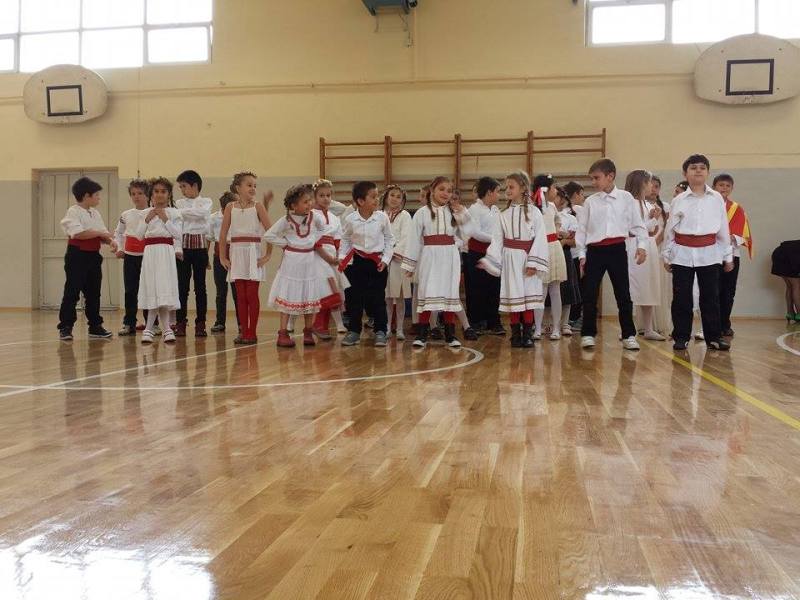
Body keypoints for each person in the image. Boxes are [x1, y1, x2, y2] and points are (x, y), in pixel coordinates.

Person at [662, 154, 734, 351]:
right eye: (693, 168)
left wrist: (727, 256)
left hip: (709, 253)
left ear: (708, 172)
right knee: (681, 297)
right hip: (682, 253)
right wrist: (666, 255)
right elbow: (670, 229)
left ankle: (714, 336)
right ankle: (681, 336)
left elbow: (723, 228)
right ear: (685, 173)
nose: (698, 171)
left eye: (702, 167)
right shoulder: (679, 200)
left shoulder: (716, 198)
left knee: (710, 296)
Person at [576, 159, 647, 350]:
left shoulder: (626, 198)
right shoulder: (590, 202)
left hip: (617, 249)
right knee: (590, 294)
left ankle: (628, 334)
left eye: (596, 178)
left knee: (623, 293)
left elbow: (638, 225)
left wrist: (642, 246)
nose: (593, 182)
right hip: (594, 251)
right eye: (592, 178)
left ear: (610, 176)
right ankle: (588, 333)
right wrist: (582, 254)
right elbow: (582, 231)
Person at [479, 170, 548, 347]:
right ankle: (515, 334)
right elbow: (497, 240)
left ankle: (528, 334)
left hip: (528, 260)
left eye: (511, 187)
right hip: (510, 260)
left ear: (523, 188)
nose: (507, 190)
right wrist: (490, 260)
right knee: (513, 296)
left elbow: (540, 239)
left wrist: (534, 263)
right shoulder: (502, 214)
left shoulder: (534, 212)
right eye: (506, 187)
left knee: (528, 298)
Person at [403, 176, 474, 348]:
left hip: (450, 258)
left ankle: (450, 335)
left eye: (449, 191)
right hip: (430, 257)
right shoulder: (422, 213)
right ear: (432, 190)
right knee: (427, 292)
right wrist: (410, 264)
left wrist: (462, 213)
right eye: (441, 189)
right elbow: (413, 239)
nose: (445, 193)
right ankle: (422, 335)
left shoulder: (454, 212)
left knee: (450, 293)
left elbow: (468, 233)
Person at [265, 185, 340, 348]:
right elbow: (269, 235)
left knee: (309, 298)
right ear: (294, 205)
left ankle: (308, 332)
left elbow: (324, 229)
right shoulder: (286, 220)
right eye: (305, 202)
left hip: (309, 262)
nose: (309, 204)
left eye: (310, 200)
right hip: (291, 264)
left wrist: (312, 240)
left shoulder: (315, 217)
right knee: (288, 296)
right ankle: (283, 333)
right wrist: (285, 244)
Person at [57, 177, 117, 341]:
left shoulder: (95, 213)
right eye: (96, 195)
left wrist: (111, 241)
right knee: (72, 291)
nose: (99, 198)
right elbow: (79, 234)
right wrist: (100, 233)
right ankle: (66, 326)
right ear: (86, 196)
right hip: (77, 255)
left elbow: (102, 234)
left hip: (93, 256)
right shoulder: (73, 211)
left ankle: (95, 326)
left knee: (93, 292)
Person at [219, 172, 272, 344]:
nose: (253, 188)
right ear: (238, 188)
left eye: (255, 185)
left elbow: (270, 232)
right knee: (240, 296)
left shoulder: (258, 207)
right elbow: (223, 234)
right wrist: (222, 257)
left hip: (253, 253)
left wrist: (267, 255)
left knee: (251, 294)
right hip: (236, 253)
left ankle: (251, 332)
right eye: (249, 185)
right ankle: (243, 331)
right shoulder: (230, 207)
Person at [339, 181, 395, 347]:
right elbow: (345, 239)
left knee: (377, 298)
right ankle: (354, 331)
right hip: (356, 263)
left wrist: (385, 260)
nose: (377, 199)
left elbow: (389, 239)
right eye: (373, 197)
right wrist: (342, 256)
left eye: (377, 196)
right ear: (360, 201)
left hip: (377, 263)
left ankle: (380, 331)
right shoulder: (350, 219)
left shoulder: (382, 217)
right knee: (354, 299)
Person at [135, 177, 182, 344]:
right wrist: (147, 219)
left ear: (169, 194)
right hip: (150, 253)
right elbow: (138, 235)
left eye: (163, 191)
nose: (160, 194)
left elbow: (177, 234)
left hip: (166, 252)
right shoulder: (144, 213)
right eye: (156, 191)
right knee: (153, 288)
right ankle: (163, 329)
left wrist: (165, 219)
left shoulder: (174, 213)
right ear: (151, 194)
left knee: (163, 288)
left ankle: (155, 329)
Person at [624, 169, 665, 341]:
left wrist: (653, 218)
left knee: (649, 287)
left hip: (649, 245)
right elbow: (634, 229)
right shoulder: (629, 204)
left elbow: (651, 230)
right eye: (649, 183)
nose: (651, 187)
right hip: (633, 245)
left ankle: (648, 328)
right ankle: (627, 327)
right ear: (641, 184)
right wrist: (651, 220)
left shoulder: (648, 205)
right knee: (632, 287)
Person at [713, 173, 753, 337]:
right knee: (712, 291)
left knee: (728, 292)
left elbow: (745, 235)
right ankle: (712, 325)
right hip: (710, 255)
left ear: (732, 188)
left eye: (727, 186)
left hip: (732, 254)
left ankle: (725, 324)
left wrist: (732, 237)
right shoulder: (707, 206)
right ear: (714, 187)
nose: (724, 188)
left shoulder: (737, 209)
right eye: (721, 185)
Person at [175, 169, 212, 337]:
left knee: (200, 287)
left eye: (184, 186)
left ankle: (201, 323)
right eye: (180, 187)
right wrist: (192, 215)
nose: (182, 190)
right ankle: (180, 322)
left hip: (200, 248)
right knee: (182, 287)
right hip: (183, 247)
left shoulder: (206, 201)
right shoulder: (179, 202)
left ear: (194, 185)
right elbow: (180, 217)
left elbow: (203, 214)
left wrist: (185, 214)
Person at [464, 176, 504, 335]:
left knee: (494, 288)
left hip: (494, 255)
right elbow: (474, 232)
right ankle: (476, 321)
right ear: (489, 192)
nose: (499, 195)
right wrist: (495, 239)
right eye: (497, 192)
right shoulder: (474, 209)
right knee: (477, 288)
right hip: (477, 253)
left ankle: (493, 321)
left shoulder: (496, 210)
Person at [311, 179, 349, 340]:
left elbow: (338, 240)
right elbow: (313, 240)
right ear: (314, 197)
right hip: (317, 256)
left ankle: (321, 325)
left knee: (333, 291)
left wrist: (339, 258)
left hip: (332, 256)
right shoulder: (311, 215)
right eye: (321, 195)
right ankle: (316, 325)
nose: (326, 198)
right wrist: (327, 258)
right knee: (323, 290)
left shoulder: (334, 217)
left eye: (328, 195)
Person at [532, 174, 567, 341]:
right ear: (544, 189)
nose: (556, 191)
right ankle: (538, 328)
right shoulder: (533, 207)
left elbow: (557, 220)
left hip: (554, 247)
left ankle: (556, 328)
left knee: (555, 290)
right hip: (540, 249)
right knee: (541, 291)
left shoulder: (552, 206)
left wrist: (557, 230)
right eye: (553, 187)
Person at [115, 178, 150, 335]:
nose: (136, 197)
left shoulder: (153, 212)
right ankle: (129, 323)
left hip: (148, 257)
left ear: (147, 195)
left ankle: (151, 323)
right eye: (133, 194)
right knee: (130, 291)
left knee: (148, 290)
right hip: (130, 258)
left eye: (140, 193)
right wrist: (120, 248)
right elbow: (118, 233)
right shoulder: (126, 215)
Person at [380, 184, 412, 340]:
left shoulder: (405, 215)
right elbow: (377, 235)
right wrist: (384, 252)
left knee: (399, 297)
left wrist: (393, 252)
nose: (394, 199)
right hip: (382, 261)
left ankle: (399, 329)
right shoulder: (379, 214)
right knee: (386, 297)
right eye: (392, 195)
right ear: (386, 196)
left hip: (399, 261)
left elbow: (407, 236)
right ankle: (386, 327)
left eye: (398, 197)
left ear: (403, 200)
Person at [208, 191, 240, 334]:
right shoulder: (214, 218)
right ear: (223, 208)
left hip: (236, 254)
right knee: (221, 291)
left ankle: (241, 323)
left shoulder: (239, 216)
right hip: (219, 255)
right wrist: (205, 258)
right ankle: (220, 322)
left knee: (237, 291)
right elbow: (209, 238)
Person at [554, 186, 581, 337]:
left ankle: (565, 323)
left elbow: (575, 241)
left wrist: (564, 240)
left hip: (565, 254)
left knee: (566, 291)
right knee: (548, 291)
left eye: (558, 196)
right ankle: (548, 324)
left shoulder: (570, 218)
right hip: (548, 253)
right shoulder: (543, 214)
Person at [771, 240, 800, 322]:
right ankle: (799, 313)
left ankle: (790, 313)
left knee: (790, 286)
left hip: (778, 254)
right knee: (797, 286)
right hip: (788, 257)